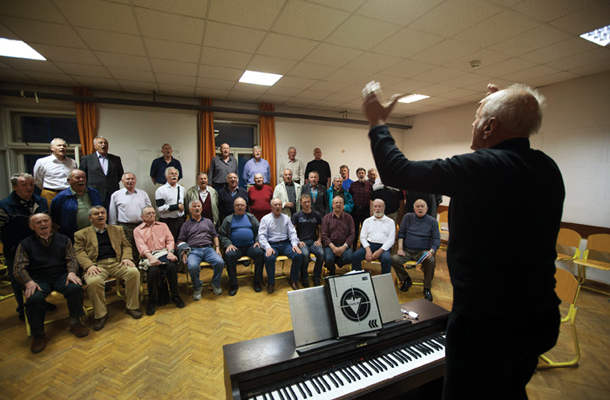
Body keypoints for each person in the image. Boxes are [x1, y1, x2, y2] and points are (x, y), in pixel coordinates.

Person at [362, 81, 564, 399]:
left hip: (487, 326)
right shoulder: (548, 169)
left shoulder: (480, 169)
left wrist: (377, 123)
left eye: (477, 116)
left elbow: (396, 170)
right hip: (538, 318)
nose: (473, 122)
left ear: (490, 126)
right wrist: (495, 108)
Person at [13, 213, 89, 353]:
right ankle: (38, 333)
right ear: (31, 226)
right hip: (38, 278)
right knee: (34, 298)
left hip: (61, 275)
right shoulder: (25, 244)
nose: (43, 224)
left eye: (45, 221)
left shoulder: (63, 239)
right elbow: (19, 267)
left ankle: (75, 322)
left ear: (50, 222)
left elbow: (71, 259)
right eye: (38, 222)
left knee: (75, 288)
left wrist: (72, 272)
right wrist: (28, 282)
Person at [74, 206, 142, 331]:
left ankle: (132, 307)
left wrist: (127, 258)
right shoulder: (81, 234)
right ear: (90, 218)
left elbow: (126, 245)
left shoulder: (117, 229)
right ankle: (101, 315)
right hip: (96, 265)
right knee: (94, 282)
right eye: (96, 214)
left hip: (117, 262)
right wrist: (89, 265)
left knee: (133, 272)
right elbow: (79, 253)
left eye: (102, 213)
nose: (100, 215)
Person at [0, 173, 49, 320]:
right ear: (15, 187)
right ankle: (22, 307)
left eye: (31, 184)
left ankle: (42, 302)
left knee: (40, 276)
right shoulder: (4, 206)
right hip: (15, 249)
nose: (29, 188)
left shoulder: (41, 202)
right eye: (24, 185)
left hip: (39, 248)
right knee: (18, 279)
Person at [133, 206, 185, 316]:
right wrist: (151, 258)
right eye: (148, 214)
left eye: (153, 213)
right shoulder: (137, 230)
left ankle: (175, 295)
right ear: (142, 217)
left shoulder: (163, 225)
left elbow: (170, 240)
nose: (151, 215)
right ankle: (152, 300)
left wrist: (170, 252)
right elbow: (141, 247)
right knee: (153, 271)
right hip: (149, 255)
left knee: (171, 267)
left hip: (164, 253)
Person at [391, 199, 440, 301]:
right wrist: (400, 248)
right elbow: (401, 234)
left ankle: (427, 287)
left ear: (427, 209)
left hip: (423, 252)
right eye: (417, 207)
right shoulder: (408, 217)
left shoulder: (432, 221)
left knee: (430, 261)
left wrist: (431, 251)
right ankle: (406, 279)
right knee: (394, 259)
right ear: (414, 209)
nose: (420, 208)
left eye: (422, 207)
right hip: (407, 250)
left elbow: (436, 240)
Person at [177, 200, 224, 300]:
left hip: (208, 248)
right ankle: (197, 287)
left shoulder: (208, 221)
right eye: (194, 206)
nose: (197, 208)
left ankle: (215, 283)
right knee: (192, 266)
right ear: (190, 210)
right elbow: (180, 240)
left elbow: (215, 236)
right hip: (193, 250)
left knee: (220, 262)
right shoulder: (186, 224)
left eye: (198, 206)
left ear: (202, 209)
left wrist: (217, 249)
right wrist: (184, 252)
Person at [218, 197, 265, 296]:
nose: (239, 207)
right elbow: (222, 235)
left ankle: (257, 281)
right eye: (237, 205)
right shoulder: (228, 219)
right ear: (234, 207)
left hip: (250, 246)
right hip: (235, 247)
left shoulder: (251, 217)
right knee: (229, 256)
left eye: (242, 205)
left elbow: (259, 231)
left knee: (260, 253)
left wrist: (257, 241)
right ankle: (233, 284)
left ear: (245, 206)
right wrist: (228, 244)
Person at [258, 198, 302, 293]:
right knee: (269, 258)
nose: (278, 207)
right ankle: (271, 282)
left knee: (298, 255)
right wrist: (267, 247)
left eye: (279, 205)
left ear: (282, 206)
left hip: (285, 244)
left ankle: (293, 280)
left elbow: (292, 233)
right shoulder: (265, 219)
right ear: (271, 206)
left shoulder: (286, 218)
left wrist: (294, 244)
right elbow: (261, 236)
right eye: (275, 205)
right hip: (272, 244)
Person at [108, 172, 151, 263]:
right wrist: (114, 229)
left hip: (142, 226)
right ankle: (133, 269)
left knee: (144, 247)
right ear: (122, 181)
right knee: (129, 249)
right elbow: (112, 214)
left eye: (132, 179)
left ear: (135, 181)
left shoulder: (143, 194)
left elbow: (149, 210)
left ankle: (145, 269)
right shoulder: (116, 195)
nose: (130, 181)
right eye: (128, 179)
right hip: (125, 227)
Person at [50, 169, 102, 241]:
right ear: (69, 181)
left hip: (95, 234)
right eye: (77, 178)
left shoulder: (94, 193)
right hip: (72, 237)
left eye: (83, 177)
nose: (81, 179)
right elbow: (54, 219)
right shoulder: (61, 197)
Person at [79, 136, 124, 209]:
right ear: (95, 146)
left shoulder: (116, 159)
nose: (103, 145)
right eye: (100, 143)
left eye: (105, 143)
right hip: (94, 193)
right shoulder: (87, 159)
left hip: (112, 192)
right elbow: (82, 176)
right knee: (96, 215)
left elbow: (120, 175)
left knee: (112, 215)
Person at [352, 199, 395, 274]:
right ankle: (357, 278)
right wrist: (368, 249)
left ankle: (384, 281)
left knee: (387, 259)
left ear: (384, 208)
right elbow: (362, 237)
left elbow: (391, 239)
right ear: (372, 208)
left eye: (379, 206)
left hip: (383, 247)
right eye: (375, 206)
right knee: (355, 256)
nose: (377, 209)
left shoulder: (390, 222)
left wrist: (380, 251)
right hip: (369, 245)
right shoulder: (367, 221)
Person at [33, 138, 78, 207]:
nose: (62, 147)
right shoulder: (42, 162)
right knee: (51, 216)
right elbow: (37, 180)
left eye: (64, 146)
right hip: (50, 194)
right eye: (59, 145)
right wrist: (49, 189)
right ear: (52, 148)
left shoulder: (72, 162)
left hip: (68, 193)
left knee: (69, 215)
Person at [291, 194, 323, 287]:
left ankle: (316, 276)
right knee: (305, 255)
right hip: (302, 241)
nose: (307, 204)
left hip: (313, 241)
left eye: (308, 201)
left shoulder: (316, 214)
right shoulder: (297, 215)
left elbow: (320, 228)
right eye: (305, 202)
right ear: (301, 203)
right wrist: (297, 241)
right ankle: (304, 277)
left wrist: (319, 239)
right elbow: (293, 230)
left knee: (321, 254)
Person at [321, 196, 355, 275]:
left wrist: (344, 247)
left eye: (340, 203)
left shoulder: (349, 218)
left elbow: (352, 234)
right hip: (330, 245)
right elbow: (324, 235)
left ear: (343, 206)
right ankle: (332, 271)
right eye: (336, 203)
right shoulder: (326, 218)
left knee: (349, 258)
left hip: (345, 245)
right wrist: (333, 248)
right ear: (332, 205)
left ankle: (337, 262)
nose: (338, 205)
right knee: (328, 259)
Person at [155, 167, 185, 244]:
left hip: (180, 221)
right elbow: (160, 209)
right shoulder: (161, 190)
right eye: (171, 174)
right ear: (166, 176)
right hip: (168, 222)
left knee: (180, 244)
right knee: (169, 244)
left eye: (175, 174)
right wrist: (177, 207)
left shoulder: (182, 189)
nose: (174, 175)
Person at [349, 167, 374, 250]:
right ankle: (354, 248)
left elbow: (371, 199)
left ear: (365, 174)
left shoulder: (370, 185)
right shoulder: (353, 185)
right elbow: (350, 197)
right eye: (359, 173)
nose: (361, 175)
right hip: (355, 211)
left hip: (366, 210)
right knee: (355, 231)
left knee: (365, 231)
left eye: (362, 173)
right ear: (356, 175)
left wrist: (371, 213)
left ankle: (363, 249)